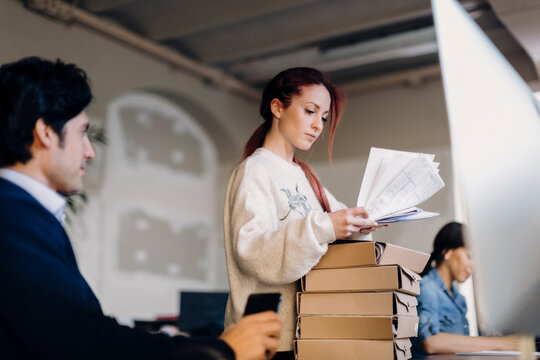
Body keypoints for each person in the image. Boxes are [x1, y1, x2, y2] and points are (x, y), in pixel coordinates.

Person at [0, 56, 281, 360]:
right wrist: (221, 350)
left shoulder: (20, 213)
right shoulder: (13, 216)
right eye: (82, 132)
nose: (90, 151)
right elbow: (83, 342)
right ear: (45, 132)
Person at [223, 67, 379, 359]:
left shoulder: (306, 177)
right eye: (310, 111)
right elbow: (252, 252)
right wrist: (326, 227)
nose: (318, 125)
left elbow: (341, 223)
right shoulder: (254, 171)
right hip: (266, 343)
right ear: (277, 107)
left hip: (309, 335)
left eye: (323, 117)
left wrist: (365, 222)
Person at [413, 221, 519, 355]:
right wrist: (499, 344)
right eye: (469, 256)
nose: (472, 267)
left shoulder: (458, 298)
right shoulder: (428, 288)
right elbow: (431, 342)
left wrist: (491, 341)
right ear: (447, 252)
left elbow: (458, 345)